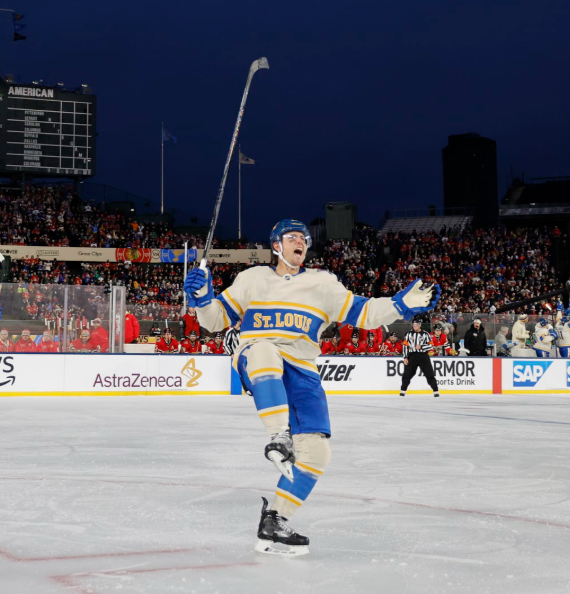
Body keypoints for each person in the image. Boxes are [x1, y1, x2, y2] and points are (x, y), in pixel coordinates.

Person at [183, 219, 438, 556]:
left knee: (317, 453)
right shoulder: (252, 279)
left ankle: (275, 520)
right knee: (263, 349)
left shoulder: (323, 284)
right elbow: (214, 321)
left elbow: (362, 312)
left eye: (303, 238)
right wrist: (202, 297)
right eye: (292, 238)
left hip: (303, 369)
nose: (300, 242)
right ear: (276, 245)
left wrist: (400, 305)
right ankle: (279, 435)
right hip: (259, 357)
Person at [401, 316, 440, 397]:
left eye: (416, 325)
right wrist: (405, 357)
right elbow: (405, 346)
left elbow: (431, 346)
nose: (414, 326)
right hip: (412, 356)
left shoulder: (426, 334)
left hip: (423, 356)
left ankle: (435, 390)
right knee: (407, 373)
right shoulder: (408, 334)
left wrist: (421, 346)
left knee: (429, 373)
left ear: (419, 325)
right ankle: (403, 390)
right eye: (413, 325)